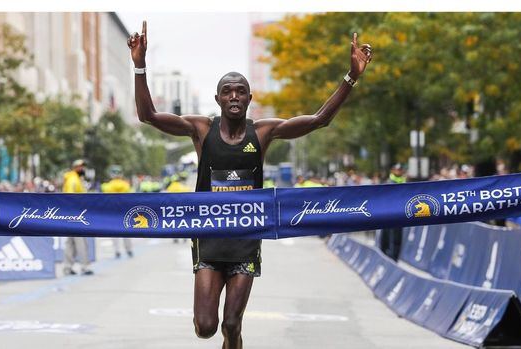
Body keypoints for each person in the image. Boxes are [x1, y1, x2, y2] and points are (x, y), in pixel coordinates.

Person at [128, 21, 372, 349]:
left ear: (249, 98)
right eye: (227, 91)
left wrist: (351, 77)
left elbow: (318, 120)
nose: (233, 96)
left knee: (231, 323)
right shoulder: (201, 129)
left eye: (240, 91)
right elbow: (149, 116)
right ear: (217, 98)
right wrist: (140, 66)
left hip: (246, 238)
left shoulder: (262, 132)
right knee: (206, 326)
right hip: (209, 237)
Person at [62, 159, 94, 275]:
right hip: (75, 214)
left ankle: (67, 267)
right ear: (75, 167)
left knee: (70, 242)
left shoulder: (74, 178)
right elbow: (70, 197)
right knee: (81, 241)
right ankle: (85, 267)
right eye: (81, 167)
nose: (83, 169)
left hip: (69, 214)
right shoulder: (73, 179)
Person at [101, 165, 134, 258]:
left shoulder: (107, 186)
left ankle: (117, 250)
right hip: (124, 210)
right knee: (126, 231)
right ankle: (129, 249)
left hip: (113, 211)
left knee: (114, 232)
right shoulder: (126, 185)